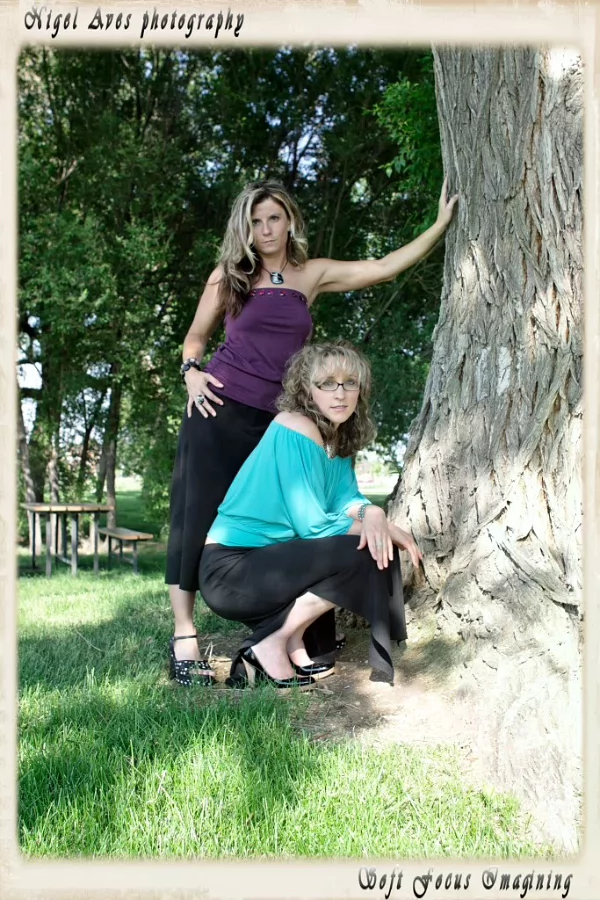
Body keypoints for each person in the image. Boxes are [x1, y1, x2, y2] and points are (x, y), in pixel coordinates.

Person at [166, 178, 457, 686]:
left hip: (283, 415)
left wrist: (438, 225)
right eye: (255, 222)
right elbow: (195, 337)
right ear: (245, 229)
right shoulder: (227, 277)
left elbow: (382, 267)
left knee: (286, 517)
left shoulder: (311, 273)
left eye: (273, 218)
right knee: (196, 516)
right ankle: (184, 635)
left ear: (289, 222)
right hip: (220, 408)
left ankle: (286, 630)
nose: (265, 230)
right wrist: (192, 371)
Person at [199, 341, 423, 690]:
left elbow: (344, 499)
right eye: (327, 383)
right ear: (307, 389)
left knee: (372, 543)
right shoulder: (295, 425)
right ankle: (271, 642)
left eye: (350, 383)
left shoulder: (336, 436)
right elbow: (314, 525)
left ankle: (289, 639)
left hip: (271, 560)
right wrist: (376, 530)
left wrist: (374, 513)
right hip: (232, 568)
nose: (340, 393)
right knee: (366, 549)